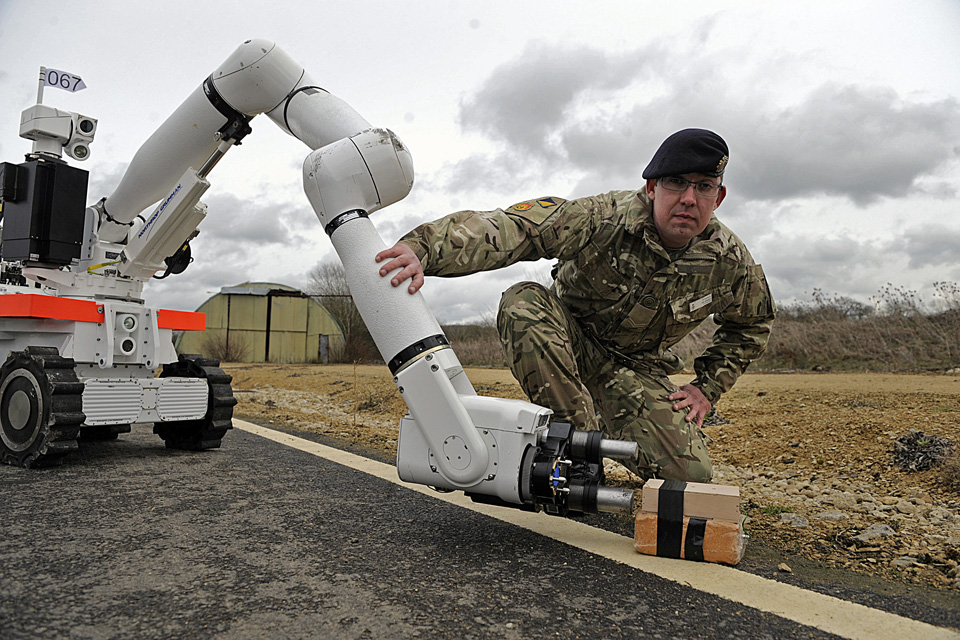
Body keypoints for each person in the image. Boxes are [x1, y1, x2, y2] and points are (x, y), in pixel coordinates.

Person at [375, 129, 775, 482]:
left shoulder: (729, 260)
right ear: (652, 187)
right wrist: (423, 249)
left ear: (719, 197)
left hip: (633, 371)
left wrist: (706, 389)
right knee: (523, 303)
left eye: (704, 186)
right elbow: (515, 227)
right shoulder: (601, 217)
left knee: (690, 475)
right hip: (569, 342)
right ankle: (576, 448)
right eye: (676, 183)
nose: (689, 198)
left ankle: (602, 422)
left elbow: (753, 325)